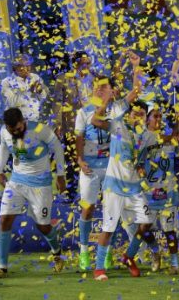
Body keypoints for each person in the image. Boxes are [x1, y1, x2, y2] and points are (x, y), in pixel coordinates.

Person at [75, 53, 142, 272]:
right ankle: (84, 250)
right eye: (97, 87)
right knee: (88, 208)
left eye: (103, 87)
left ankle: (107, 252)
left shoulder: (117, 109)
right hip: (90, 167)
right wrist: (80, 159)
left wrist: (135, 67)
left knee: (112, 210)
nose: (99, 90)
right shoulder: (83, 112)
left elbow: (135, 92)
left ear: (112, 90)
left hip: (112, 166)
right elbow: (79, 137)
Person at [0, 108, 66, 280]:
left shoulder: (39, 129)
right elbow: (4, 147)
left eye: (18, 128)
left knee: (43, 226)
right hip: (16, 181)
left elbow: (57, 148)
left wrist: (61, 175)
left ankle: (57, 253)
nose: (16, 132)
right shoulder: (4, 132)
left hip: (40, 185)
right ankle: (2, 268)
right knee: (4, 220)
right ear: (6, 127)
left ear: (23, 121)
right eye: (12, 130)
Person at [90, 98, 159, 281]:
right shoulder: (118, 126)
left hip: (134, 188)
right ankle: (99, 269)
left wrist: (141, 168)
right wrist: (107, 101)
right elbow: (95, 121)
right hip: (114, 187)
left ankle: (128, 257)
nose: (138, 117)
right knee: (108, 229)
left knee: (146, 223)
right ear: (129, 114)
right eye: (135, 113)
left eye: (142, 114)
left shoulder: (147, 136)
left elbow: (141, 160)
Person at [136, 105, 179, 274]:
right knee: (143, 229)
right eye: (155, 116)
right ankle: (155, 250)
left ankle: (175, 263)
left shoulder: (168, 139)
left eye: (160, 116)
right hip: (149, 192)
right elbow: (137, 162)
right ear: (147, 119)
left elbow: (176, 141)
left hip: (168, 191)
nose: (158, 119)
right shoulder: (143, 137)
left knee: (169, 231)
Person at [52, 51, 95, 198]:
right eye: (83, 63)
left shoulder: (94, 78)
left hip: (92, 124)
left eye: (88, 63)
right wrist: (58, 124)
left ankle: (93, 192)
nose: (86, 66)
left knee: (93, 157)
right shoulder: (63, 78)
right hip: (72, 124)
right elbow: (57, 103)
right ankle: (71, 192)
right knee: (72, 159)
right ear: (75, 64)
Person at [1, 55, 48, 122]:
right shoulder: (6, 82)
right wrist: (29, 92)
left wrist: (40, 91)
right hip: (17, 121)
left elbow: (43, 97)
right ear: (14, 68)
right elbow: (10, 102)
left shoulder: (35, 77)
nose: (26, 69)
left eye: (28, 65)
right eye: (21, 66)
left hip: (35, 119)